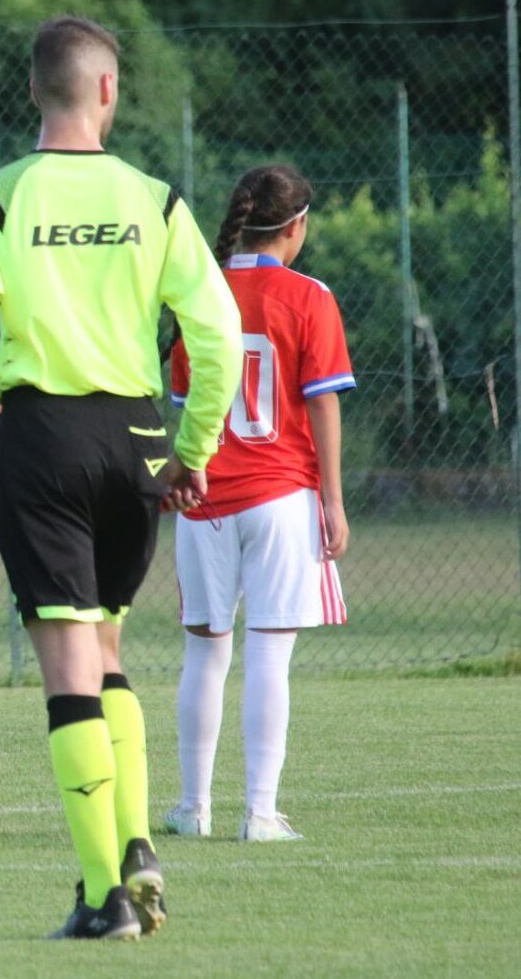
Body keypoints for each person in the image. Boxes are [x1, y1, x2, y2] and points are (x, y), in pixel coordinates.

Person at [0, 16, 242, 939]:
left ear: (34, 91)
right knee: (107, 648)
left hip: (43, 433)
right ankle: (138, 842)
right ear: (107, 91)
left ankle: (103, 894)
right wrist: (193, 449)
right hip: (138, 430)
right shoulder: (157, 199)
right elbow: (217, 336)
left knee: (66, 659)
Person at [166, 165, 353, 843]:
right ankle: (259, 813)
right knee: (267, 656)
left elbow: (185, 409)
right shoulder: (308, 296)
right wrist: (331, 500)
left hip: (204, 498)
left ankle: (192, 808)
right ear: (295, 225)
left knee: (203, 655)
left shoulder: (200, 292)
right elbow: (321, 399)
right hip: (280, 497)